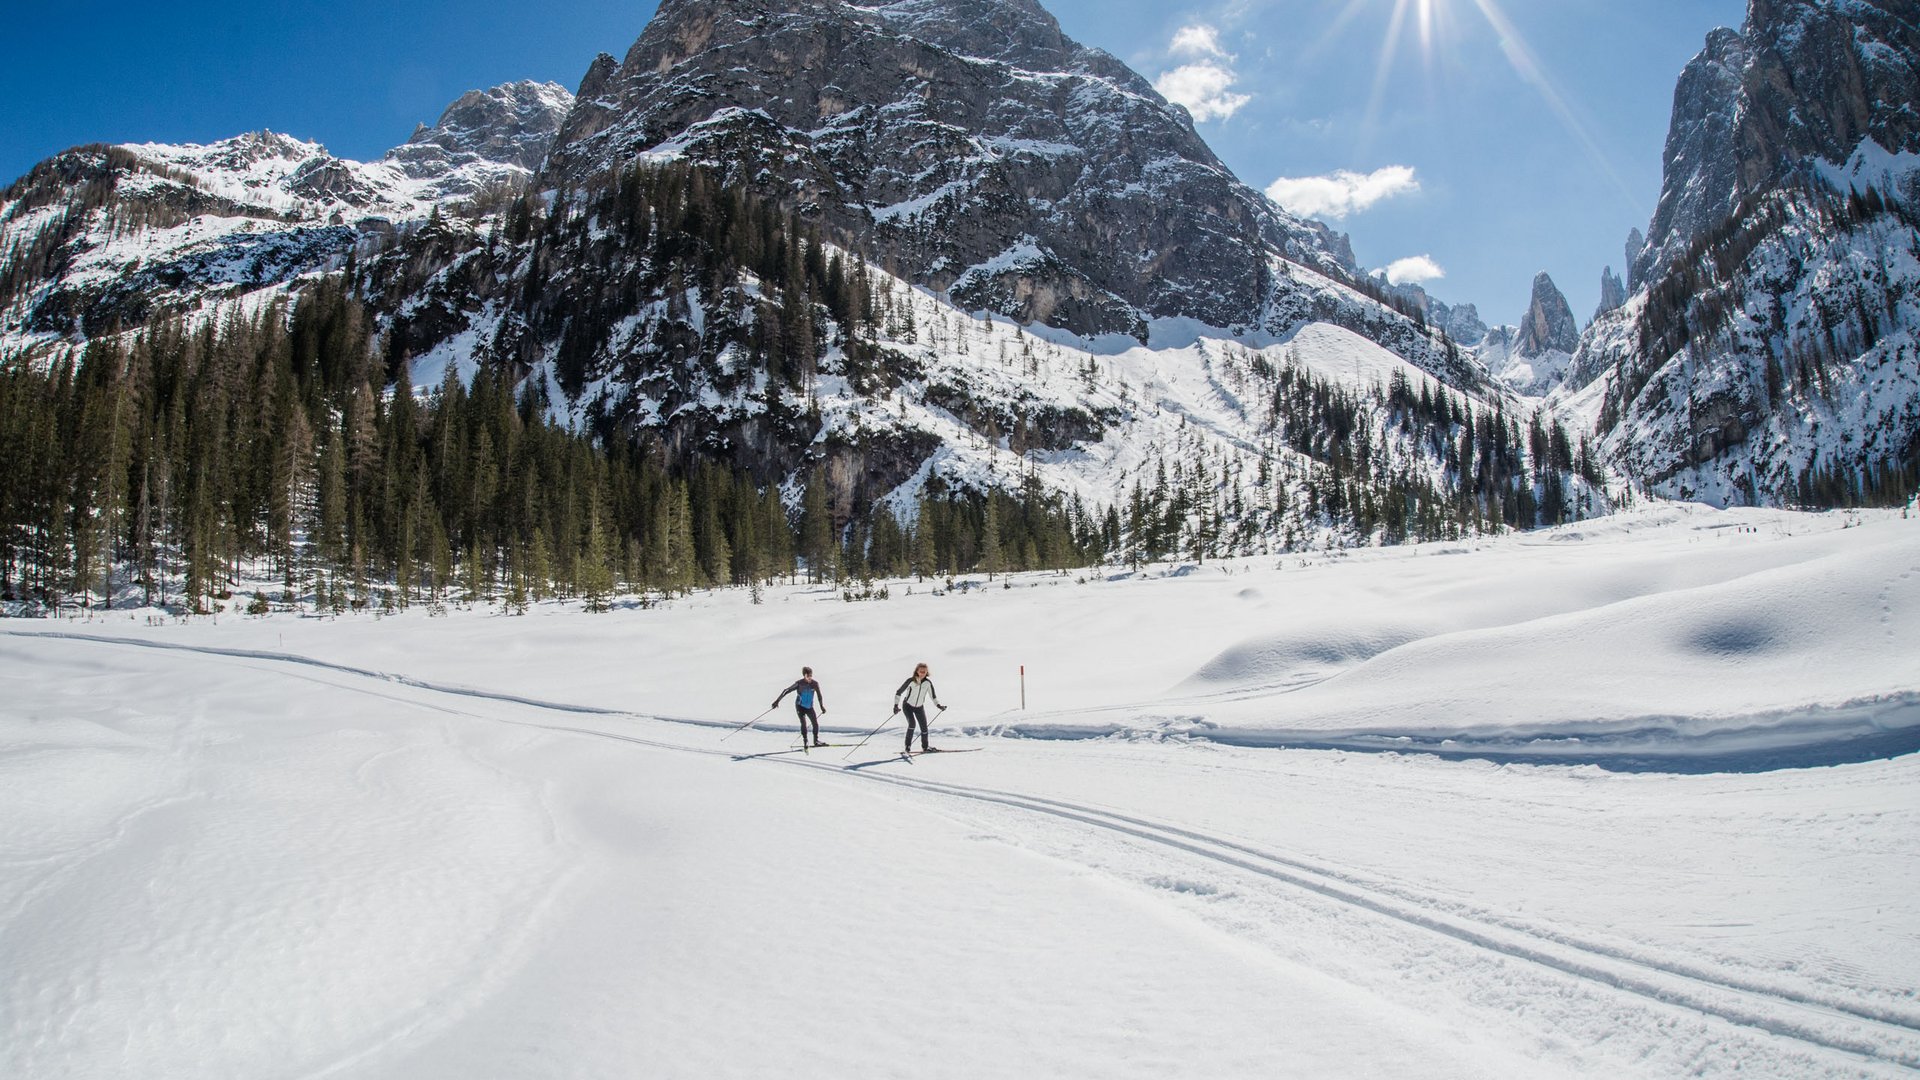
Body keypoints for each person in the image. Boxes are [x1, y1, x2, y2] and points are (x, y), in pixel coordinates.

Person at [892, 662, 945, 754]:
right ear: (917, 671)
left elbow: (933, 696)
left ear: (926, 672)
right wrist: (896, 706)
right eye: (921, 671)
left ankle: (925, 747)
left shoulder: (928, 683)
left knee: (924, 728)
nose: (922, 673)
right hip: (907, 706)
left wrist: (938, 705)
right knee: (912, 724)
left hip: (919, 707)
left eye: (924, 672)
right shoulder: (911, 681)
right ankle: (907, 746)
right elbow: (899, 692)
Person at [772, 666, 827, 748]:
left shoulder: (814, 684)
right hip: (800, 707)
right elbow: (786, 690)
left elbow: (819, 696)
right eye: (808, 676)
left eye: (811, 675)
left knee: (815, 723)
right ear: (804, 675)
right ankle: (805, 740)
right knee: (803, 723)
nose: (809, 677)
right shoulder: (799, 684)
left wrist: (822, 706)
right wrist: (777, 701)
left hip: (809, 707)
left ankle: (816, 741)